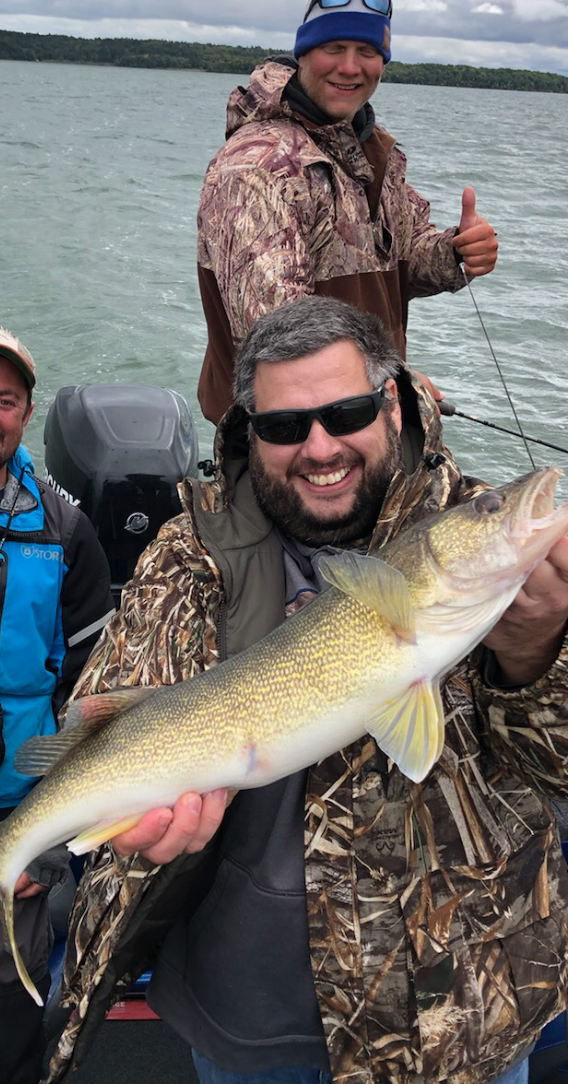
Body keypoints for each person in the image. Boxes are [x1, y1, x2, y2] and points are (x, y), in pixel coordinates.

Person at [47, 295, 568, 1084]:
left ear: (392, 405)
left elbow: (556, 770)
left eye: (346, 413)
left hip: (458, 1025)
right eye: (285, 426)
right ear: (249, 432)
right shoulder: (190, 550)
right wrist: (135, 825)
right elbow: (110, 706)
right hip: (244, 1024)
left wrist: (534, 655)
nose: (320, 447)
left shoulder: (478, 532)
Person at [196, 0, 499, 425]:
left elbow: (403, 258)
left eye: (367, 52)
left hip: (367, 418)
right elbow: (278, 333)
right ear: (305, 52)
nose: (351, 67)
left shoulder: (371, 150)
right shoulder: (258, 166)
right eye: (334, 48)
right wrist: (396, 382)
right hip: (282, 437)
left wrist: (458, 252)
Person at [0, 323, 114, 1084]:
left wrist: (50, 838)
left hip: (3, 826)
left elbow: (94, 703)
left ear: (28, 415)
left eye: (5, 400)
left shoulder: (68, 532)